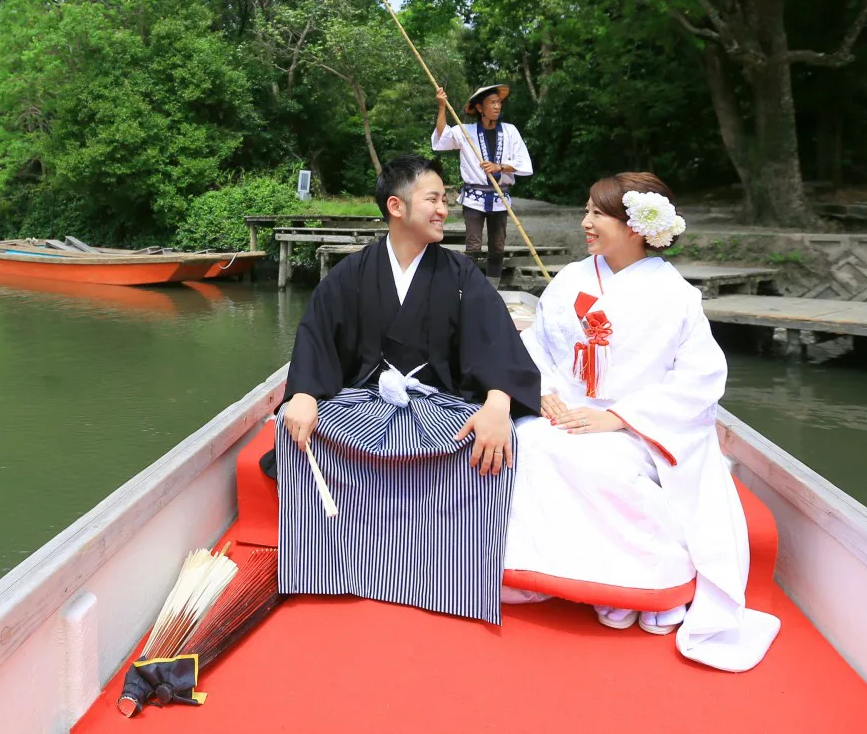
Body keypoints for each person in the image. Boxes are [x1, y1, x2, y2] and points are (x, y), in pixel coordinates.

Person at [503, 172, 781, 672]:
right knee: (528, 444)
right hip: (569, 408)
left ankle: (651, 585)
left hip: (639, 422)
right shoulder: (570, 279)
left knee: (601, 463)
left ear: (635, 226)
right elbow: (536, 346)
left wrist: (618, 417)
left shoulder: (676, 296)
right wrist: (544, 394)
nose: (584, 222)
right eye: (585, 210)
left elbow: (701, 378)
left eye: (596, 214)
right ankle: (548, 573)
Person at [276, 154, 541, 624]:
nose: (445, 209)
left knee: (492, 443)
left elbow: (495, 343)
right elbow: (316, 337)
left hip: (438, 409)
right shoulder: (351, 274)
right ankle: (330, 567)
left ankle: (449, 578)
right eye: (434, 198)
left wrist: (498, 402)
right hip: (363, 404)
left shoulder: (461, 276)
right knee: (294, 430)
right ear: (396, 206)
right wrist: (301, 395)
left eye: (446, 200)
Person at [432, 83, 532, 282]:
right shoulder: (465, 131)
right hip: (474, 199)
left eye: (498, 102)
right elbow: (442, 139)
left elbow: (523, 162)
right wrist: (442, 106)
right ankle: (470, 287)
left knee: (497, 247)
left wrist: (500, 167)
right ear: (479, 108)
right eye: (492, 103)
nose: (497, 106)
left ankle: (492, 289)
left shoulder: (510, 131)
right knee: (473, 247)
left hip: (500, 198)